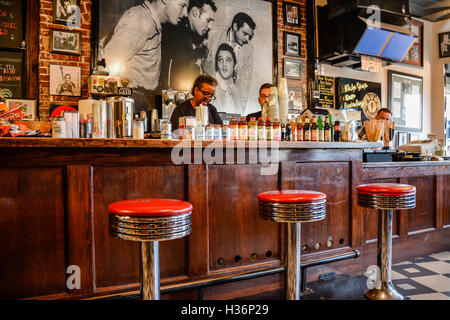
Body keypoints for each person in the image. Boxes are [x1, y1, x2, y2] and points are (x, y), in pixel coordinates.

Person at [99, 0, 189, 109]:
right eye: (182, 5)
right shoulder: (140, 20)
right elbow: (108, 63)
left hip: (139, 99)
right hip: (131, 100)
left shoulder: (149, 21)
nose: (185, 13)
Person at [203, 12, 256, 115]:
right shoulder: (214, 36)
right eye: (245, 34)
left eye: (249, 36)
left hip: (232, 101)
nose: (247, 39)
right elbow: (203, 65)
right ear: (235, 26)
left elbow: (245, 82)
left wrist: (240, 110)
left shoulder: (249, 49)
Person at [160, 0, 217, 90]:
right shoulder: (177, 32)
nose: (210, 26)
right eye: (208, 20)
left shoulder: (184, 31)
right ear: (195, 12)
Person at [213, 43, 241, 114]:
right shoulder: (212, 89)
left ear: (234, 64)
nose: (224, 64)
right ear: (217, 64)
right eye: (220, 60)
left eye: (228, 60)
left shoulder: (237, 90)